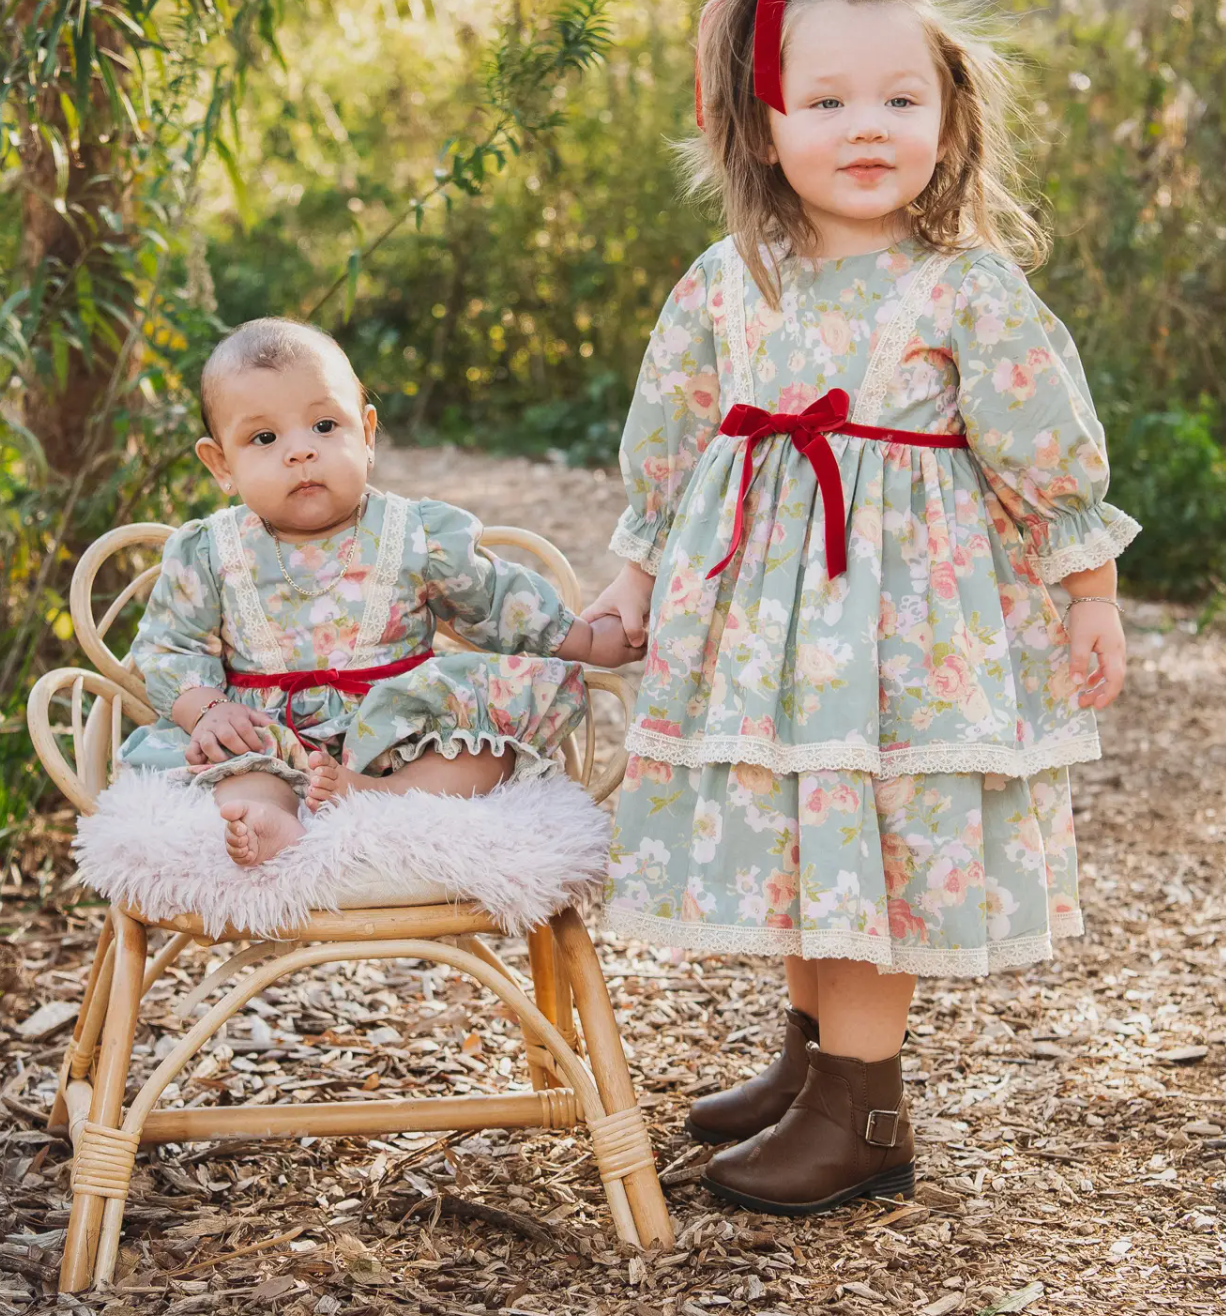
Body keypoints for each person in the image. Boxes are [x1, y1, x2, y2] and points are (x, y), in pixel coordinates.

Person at [581, 0, 1139, 1215]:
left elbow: (1044, 445)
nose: (865, 127)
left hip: (896, 636)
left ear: (949, 116)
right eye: (824, 102)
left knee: (863, 836)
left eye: (899, 99)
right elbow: (670, 431)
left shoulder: (962, 289)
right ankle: (810, 1053)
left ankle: (865, 1101)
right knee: (798, 823)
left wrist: (1084, 590)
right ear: (760, 122)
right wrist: (634, 572)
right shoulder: (731, 279)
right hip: (761, 624)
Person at [120, 317, 641, 868]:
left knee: (485, 753)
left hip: (401, 727)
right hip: (269, 732)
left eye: (324, 425)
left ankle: (378, 796)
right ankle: (272, 818)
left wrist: (585, 638)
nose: (300, 452)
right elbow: (165, 647)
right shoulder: (208, 552)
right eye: (265, 438)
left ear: (367, 435)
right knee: (236, 771)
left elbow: (496, 600)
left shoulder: (415, 533)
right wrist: (208, 711)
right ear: (222, 463)